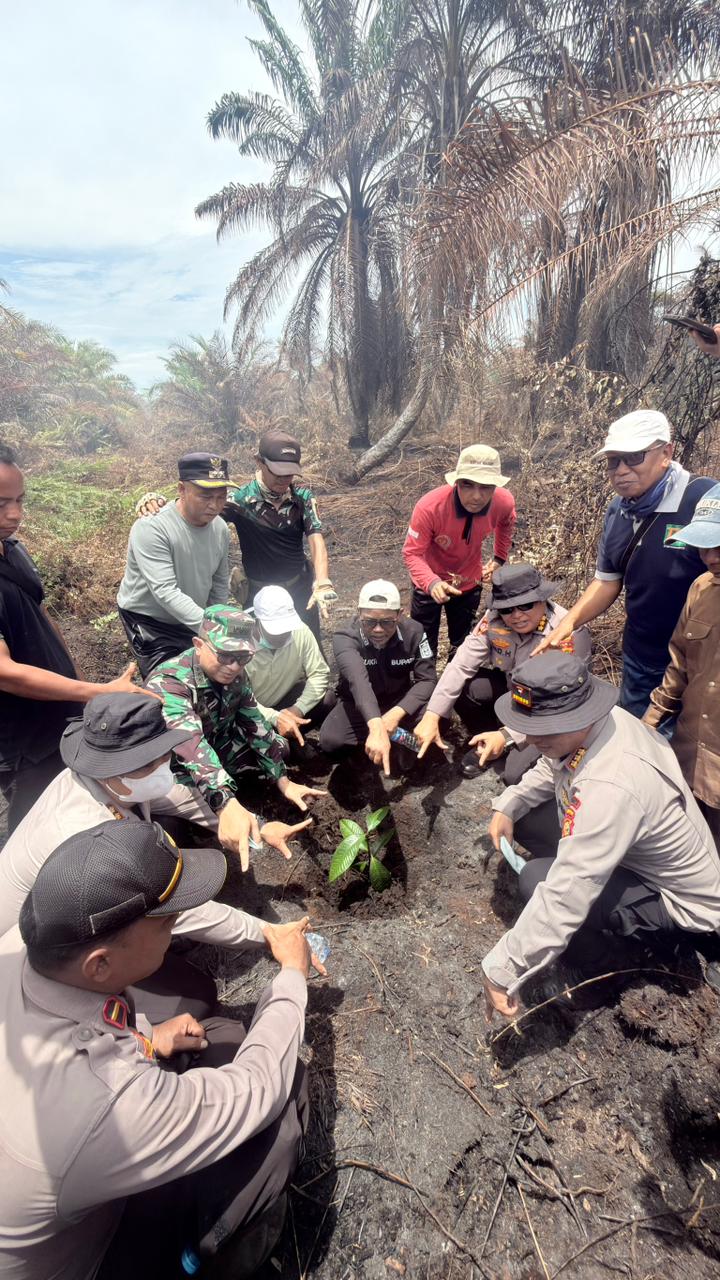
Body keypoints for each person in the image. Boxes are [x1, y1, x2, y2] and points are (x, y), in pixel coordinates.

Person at [0, 819, 312, 1279]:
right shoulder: (101, 1105)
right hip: (89, 1256)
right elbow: (259, 1088)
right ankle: (193, 1260)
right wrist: (291, 978)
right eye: (167, 922)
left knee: (218, 1029)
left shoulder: (19, 948)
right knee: (278, 1121)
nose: (176, 927)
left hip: (64, 1190)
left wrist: (147, 1037)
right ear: (99, 964)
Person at [480, 653, 720, 1022]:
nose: (530, 738)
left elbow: (568, 891)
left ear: (580, 717)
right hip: (631, 852)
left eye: (545, 728)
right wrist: (509, 805)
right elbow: (553, 764)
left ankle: (597, 972)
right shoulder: (599, 722)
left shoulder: (611, 784)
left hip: (680, 905)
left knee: (537, 880)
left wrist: (501, 969)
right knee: (524, 817)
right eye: (528, 725)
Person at [0, 692, 315, 953]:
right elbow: (178, 907)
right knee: (191, 991)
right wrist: (267, 933)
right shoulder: (91, 833)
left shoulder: (112, 780)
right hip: (37, 948)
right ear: (111, 767)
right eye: (150, 763)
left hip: (73, 908)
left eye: (164, 755)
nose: (163, 768)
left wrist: (256, 829)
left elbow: (183, 798)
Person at [0, 444, 149, 832]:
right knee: (28, 830)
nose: (14, 514)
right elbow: (4, 672)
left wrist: (81, 682)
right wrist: (95, 692)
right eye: (1, 503)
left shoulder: (13, 550)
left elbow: (42, 615)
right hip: (19, 743)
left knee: (63, 810)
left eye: (19, 500)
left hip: (56, 717)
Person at [534, 410, 717, 717]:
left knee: (689, 747)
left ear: (666, 453)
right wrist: (569, 622)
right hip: (640, 655)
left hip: (697, 662)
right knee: (638, 734)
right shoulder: (617, 511)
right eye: (613, 460)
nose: (620, 470)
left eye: (633, 457)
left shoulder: (703, 499)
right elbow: (608, 580)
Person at [147, 604, 326, 828]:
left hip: (222, 747)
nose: (233, 666)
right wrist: (224, 803)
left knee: (279, 747)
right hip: (181, 769)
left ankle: (240, 787)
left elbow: (256, 726)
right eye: (224, 656)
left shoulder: (236, 676)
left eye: (243, 657)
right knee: (183, 820)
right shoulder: (169, 684)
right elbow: (192, 750)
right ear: (199, 645)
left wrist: (283, 780)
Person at [413, 562, 591, 777]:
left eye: (526, 605)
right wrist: (432, 715)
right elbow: (461, 664)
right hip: (513, 691)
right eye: (507, 609)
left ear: (542, 599)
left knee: (513, 775)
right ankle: (486, 739)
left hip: (549, 711)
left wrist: (509, 736)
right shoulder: (493, 619)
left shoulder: (568, 632)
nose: (516, 615)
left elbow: (566, 704)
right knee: (466, 688)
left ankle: (504, 743)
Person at [644, 484, 720, 843]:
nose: (711, 557)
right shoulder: (701, 589)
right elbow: (678, 666)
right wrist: (649, 723)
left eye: (719, 545)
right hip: (690, 756)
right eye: (705, 546)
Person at [117, 452, 232, 677]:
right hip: (151, 620)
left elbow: (219, 585)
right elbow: (165, 591)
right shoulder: (152, 528)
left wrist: (218, 619)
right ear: (181, 489)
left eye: (221, 497)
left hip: (192, 614)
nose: (214, 505)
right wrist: (210, 629)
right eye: (205, 496)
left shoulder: (220, 529)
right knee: (170, 682)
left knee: (208, 675)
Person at [402, 444, 516, 656]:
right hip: (428, 581)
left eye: (486, 487)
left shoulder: (503, 502)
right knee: (424, 646)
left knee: (463, 644)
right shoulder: (430, 507)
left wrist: (499, 557)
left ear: (495, 487)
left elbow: (507, 523)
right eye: (468, 485)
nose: (476, 496)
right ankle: (425, 683)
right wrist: (432, 582)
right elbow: (412, 553)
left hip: (469, 581)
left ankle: (460, 683)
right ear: (456, 483)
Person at [224, 430, 335, 644]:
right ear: (259, 462)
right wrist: (158, 504)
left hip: (299, 590)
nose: (285, 480)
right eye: (278, 472)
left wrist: (322, 581)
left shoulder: (301, 498)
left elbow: (315, 539)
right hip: (258, 593)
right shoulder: (240, 500)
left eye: (290, 474)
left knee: (309, 647)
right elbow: (202, 512)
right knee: (252, 651)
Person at [319, 579, 437, 775]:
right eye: (370, 622)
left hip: (399, 702)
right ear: (359, 615)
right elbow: (358, 681)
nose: (378, 630)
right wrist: (376, 725)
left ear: (399, 615)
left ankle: (400, 740)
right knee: (332, 741)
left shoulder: (415, 632)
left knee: (438, 717)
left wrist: (394, 715)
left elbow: (428, 679)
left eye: (387, 622)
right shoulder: (344, 637)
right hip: (358, 702)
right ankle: (381, 741)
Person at [245, 584, 331, 749]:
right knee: (281, 750)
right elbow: (238, 698)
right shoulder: (239, 643)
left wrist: (297, 709)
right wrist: (275, 718)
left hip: (283, 702)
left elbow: (319, 673)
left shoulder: (300, 631)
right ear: (258, 620)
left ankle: (289, 737)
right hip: (249, 712)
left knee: (328, 698)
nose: (283, 634)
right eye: (275, 630)